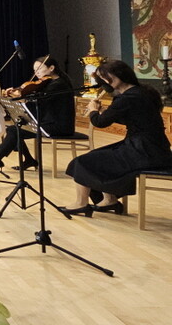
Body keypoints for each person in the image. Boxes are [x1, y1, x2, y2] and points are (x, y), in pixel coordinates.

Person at [61, 60, 172, 215]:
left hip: (143, 151)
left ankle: (81, 203)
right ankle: (109, 200)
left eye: (107, 76)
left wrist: (94, 110)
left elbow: (100, 123)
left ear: (120, 75)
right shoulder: (143, 91)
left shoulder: (126, 98)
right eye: (102, 78)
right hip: (156, 148)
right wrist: (106, 111)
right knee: (98, 157)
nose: (105, 81)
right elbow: (133, 117)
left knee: (83, 162)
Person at [0, 56, 75, 171]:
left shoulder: (58, 84)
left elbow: (39, 100)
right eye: (34, 70)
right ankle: (23, 160)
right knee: (13, 129)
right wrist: (18, 93)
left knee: (14, 130)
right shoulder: (48, 83)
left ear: (51, 68)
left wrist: (23, 97)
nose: (36, 72)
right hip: (48, 122)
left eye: (39, 69)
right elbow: (36, 96)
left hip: (59, 126)